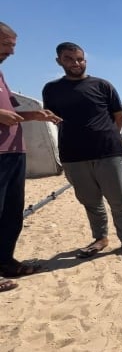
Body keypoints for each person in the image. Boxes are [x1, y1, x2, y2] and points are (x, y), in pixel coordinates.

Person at [42, 42, 122, 259]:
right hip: (73, 155)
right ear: (59, 61)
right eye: (69, 59)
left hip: (108, 152)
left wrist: (108, 137)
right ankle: (100, 238)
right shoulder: (51, 89)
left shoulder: (102, 85)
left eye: (80, 59)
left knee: (119, 200)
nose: (76, 63)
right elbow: (52, 117)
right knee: (90, 201)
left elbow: (119, 116)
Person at [0, 22, 62, 283]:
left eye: (13, 47)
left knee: (11, 213)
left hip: (14, 152)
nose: (11, 52)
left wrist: (34, 115)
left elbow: (11, 114)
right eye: (6, 45)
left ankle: (6, 262)